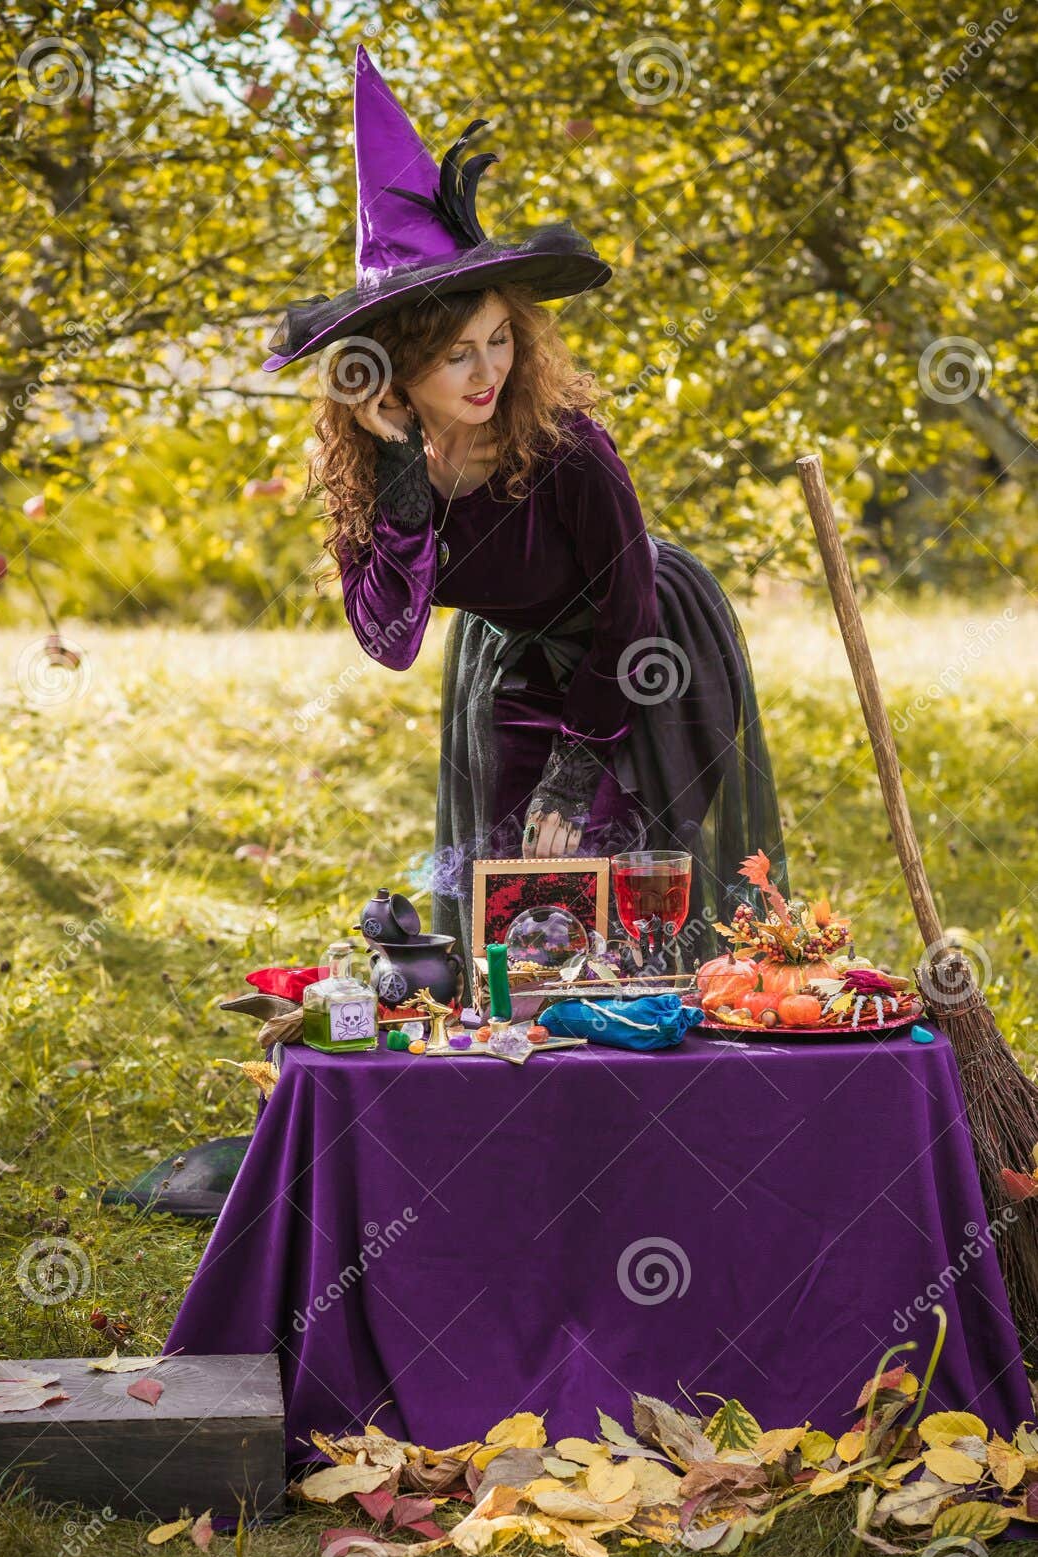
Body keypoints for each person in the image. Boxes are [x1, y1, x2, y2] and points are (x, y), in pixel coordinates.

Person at [263, 46, 789, 1001]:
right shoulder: (374, 470)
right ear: (391, 369)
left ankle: (656, 1061)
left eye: (500, 339)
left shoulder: (565, 445)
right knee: (517, 888)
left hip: (649, 644)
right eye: (457, 354)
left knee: (622, 878)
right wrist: (399, 483)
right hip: (512, 660)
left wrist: (574, 763)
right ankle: (528, 1062)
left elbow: (629, 605)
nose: (487, 372)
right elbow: (388, 637)